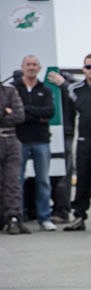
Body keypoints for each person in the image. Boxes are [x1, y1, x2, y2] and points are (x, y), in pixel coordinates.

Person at [53, 54, 91, 231]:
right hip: (83, 140)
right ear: (83, 69)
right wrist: (60, 82)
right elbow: (66, 93)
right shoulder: (75, 89)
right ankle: (78, 216)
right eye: (89, 67)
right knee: (82, 180)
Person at [13, 55, 56, 231]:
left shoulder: (45, 90)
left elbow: (50, 112)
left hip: (41, 141)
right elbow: (15, 114)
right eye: (28, 64)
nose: (31, 67)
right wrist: (37, 115)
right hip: (19, 140)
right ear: (22, 67)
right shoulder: (14, 90)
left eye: (34, 65)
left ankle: (44, 218)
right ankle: (17, 217)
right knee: (17, 180)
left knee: (43, 181)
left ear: (39, 69)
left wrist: (26, 111)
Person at [46, 68, 76, 224]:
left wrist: (64, 85)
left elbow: (77, 99)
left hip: (65, 132)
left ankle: (62, 210)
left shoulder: (68, 81)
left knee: (63, 174)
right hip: (42, 132)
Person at [1, 79, 27, 234]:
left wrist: (7, 113)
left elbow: (19, 116)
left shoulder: (10, 91)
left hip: (11, 139)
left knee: (13, 180)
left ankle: (13, 217)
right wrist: (4, 111)